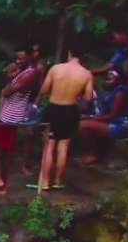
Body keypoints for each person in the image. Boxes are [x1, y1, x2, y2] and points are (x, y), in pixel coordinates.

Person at [34, 46, 94, 191]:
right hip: (70, 110)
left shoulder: (56, 69)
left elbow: (44, 90)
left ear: (69, 53)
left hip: (54, 108)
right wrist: (76, 94)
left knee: (49, 146)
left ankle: (45, 182)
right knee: (63, 146)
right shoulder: (86, 74)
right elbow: (88, 97)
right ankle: (58, 181)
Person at [0, 45, 38, 195]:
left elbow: (8, 91)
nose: (18, 61)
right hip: (7, 114)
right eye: (16, 58)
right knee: (4, 149)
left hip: (11, 116)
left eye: (21, 58)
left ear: (29, 57)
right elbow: (7, 86)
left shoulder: (30, 73)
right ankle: (1, 184)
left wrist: (10, 79)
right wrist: (10, 76)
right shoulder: (21, 72)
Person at [78, 69, 128, 166]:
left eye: (111, 77)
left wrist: (91, 119)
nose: (108, 79)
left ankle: (93, 154)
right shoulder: (112, 91)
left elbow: (112, 116)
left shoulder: (121, 92)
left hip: (120, 125)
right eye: (107, 77)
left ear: (119, 79)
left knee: (83, 125)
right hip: (111, 122)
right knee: (84, 122)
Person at [20, 42, 48, 177]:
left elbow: (42, 87)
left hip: (32, 103)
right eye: (34, 51)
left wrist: (36, 104)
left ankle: (26, 165)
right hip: (20, 101)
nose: (36, 54)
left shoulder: (40, 67)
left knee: (29, 134)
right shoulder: (23, 64)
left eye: (38, 51)